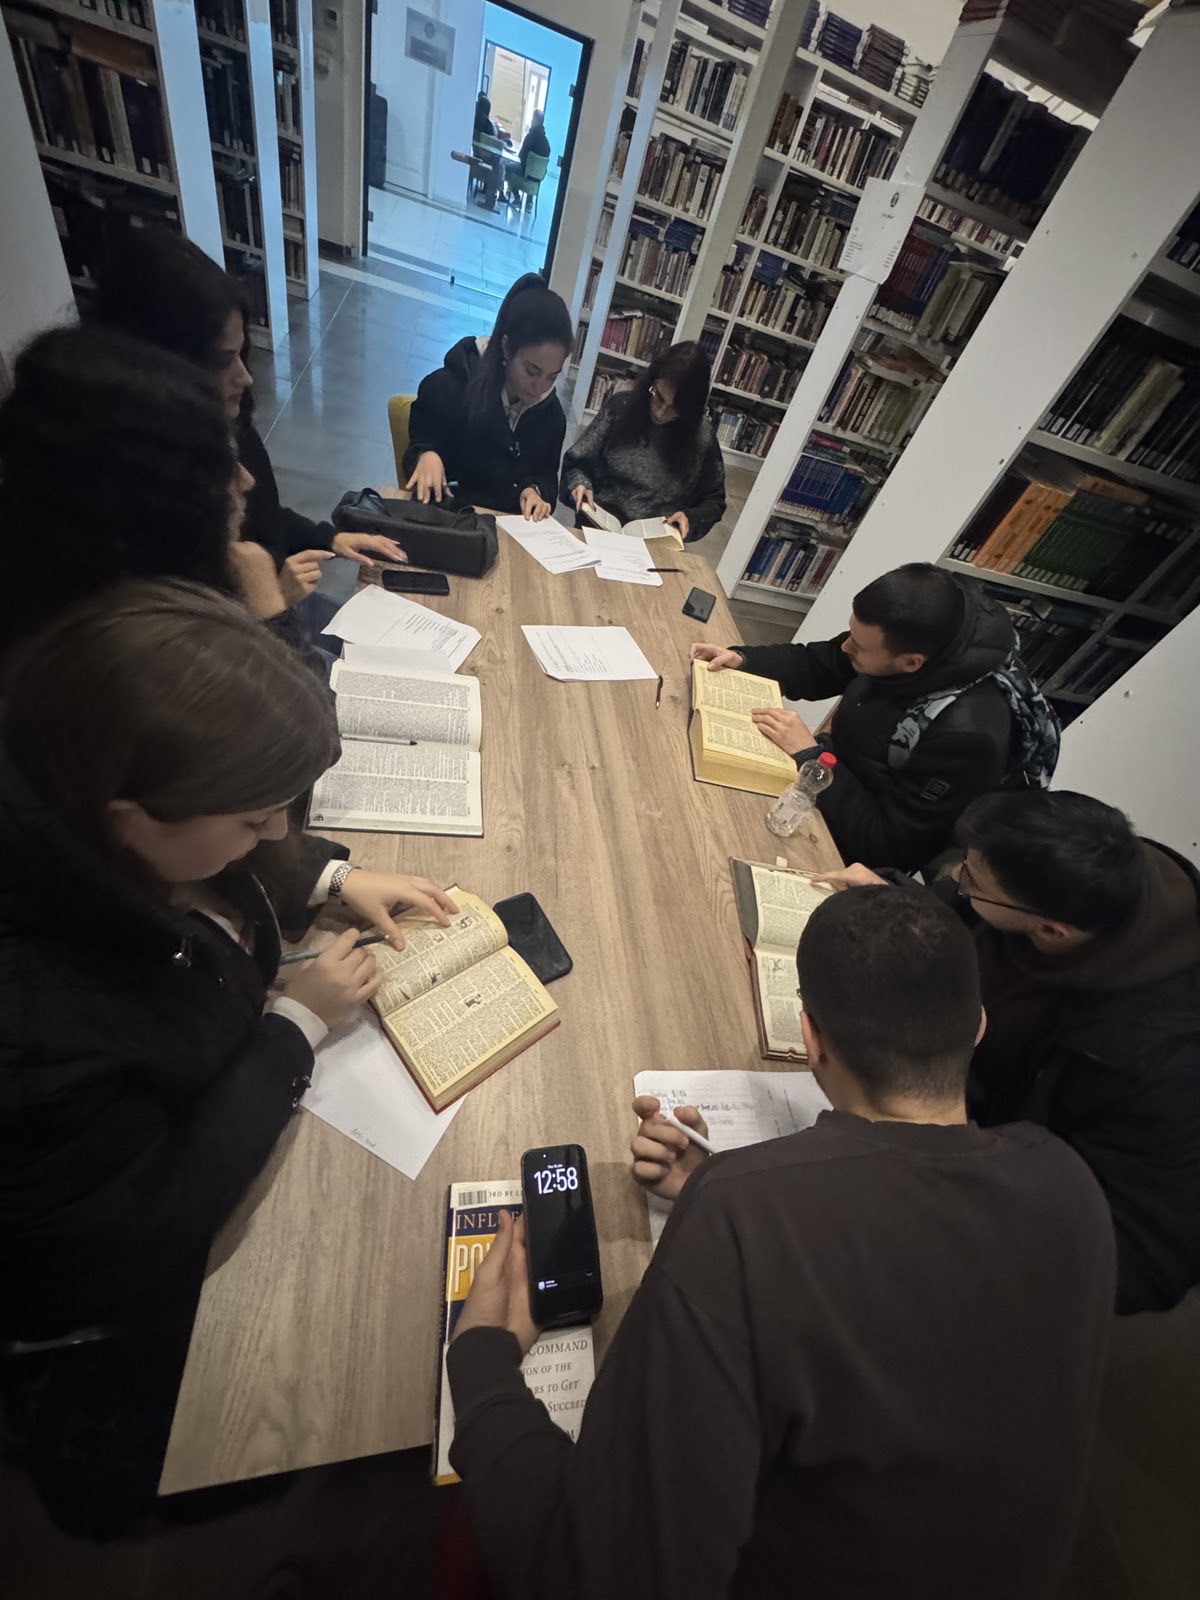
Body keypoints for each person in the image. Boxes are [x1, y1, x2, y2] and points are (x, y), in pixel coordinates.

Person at [446, 886, 1115, 1599]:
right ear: (976, 1026)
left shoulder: (738, 1216)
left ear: (811, 1038)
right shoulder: (1068, 1183)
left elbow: (591, 1572)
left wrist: (480, 1359)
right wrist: (716, 1183)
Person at [0, 583, 457, 1531]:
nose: (277, 832)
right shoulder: (35, 1031)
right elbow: (137, 1227)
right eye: (256, 819)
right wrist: (293, 1029)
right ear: (132, 821)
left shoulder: (88, 785)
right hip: (119, 1303)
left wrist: (329, 874)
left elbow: (226, 855)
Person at [814, 789, 1200, 1315]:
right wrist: (903, 905)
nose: (956, 878)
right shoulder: (1081, 871)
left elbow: (1144, 1260)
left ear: (1051, 930)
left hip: (984, 1223)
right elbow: (967, 914)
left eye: (971, 879)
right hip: (926, 1106)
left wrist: (955, 1201)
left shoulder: (1160, 1064)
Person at [93, 230, 405, 591]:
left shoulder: (223, 421)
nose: (246, 377)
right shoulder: (139, 515)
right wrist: (275, 604)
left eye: (242, 354)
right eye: (222, 360)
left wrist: (327, 537)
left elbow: (261, 517)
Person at [691, 562, 1056, 869]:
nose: (846, 645)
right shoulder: (906, 634)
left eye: (858, 646)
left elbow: (885, 846)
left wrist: (813, 757)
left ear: (911, 663)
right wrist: (746, 660)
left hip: (847, 843)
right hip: (833, 779)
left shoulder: (967, 737)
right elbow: (822, 662)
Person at [404, 272, 571, 517]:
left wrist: (534, 490)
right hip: (450, 517)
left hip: (509, 527)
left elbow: (545, 475)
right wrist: (427, 455)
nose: (540, 386)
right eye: (532, 371)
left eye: (552, 376)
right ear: (506, 347)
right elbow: (422, 441)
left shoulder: (552, 416)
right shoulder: (452, 385)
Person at [561, 342, 726, 542]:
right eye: (659, 397)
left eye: (674, 409)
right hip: (599, 524)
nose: (661, 412)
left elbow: (713, 501)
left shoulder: (702, 437)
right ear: (651, 383)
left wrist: (690, 518)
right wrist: (580, 483)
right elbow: (577, 462)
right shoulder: (620, 408)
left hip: (657, 537)